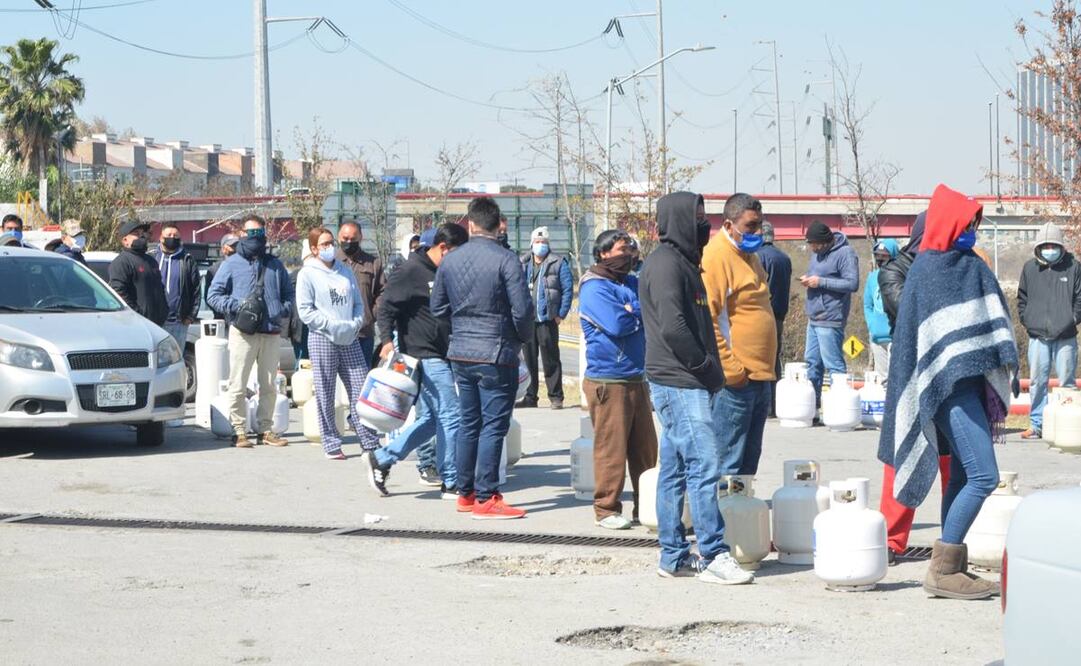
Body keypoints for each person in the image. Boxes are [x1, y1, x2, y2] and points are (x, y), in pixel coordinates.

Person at [880, 183, 1017, 600]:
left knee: (961, 475)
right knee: (984, 475)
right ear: (948, 223)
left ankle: (952, 566)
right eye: (967, 224)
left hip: (972, 385)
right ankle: (942, 569)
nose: (971, 232)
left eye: (975, 225)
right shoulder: (926, 271)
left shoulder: (972, 266)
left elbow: (994, 317)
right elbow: (920, 343)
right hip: (943, 389)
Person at [639, 190, 753, 585]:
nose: (704, 224)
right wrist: (706, 369)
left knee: (674, 471)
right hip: (679, 382)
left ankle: (673, 556)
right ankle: (714, 553)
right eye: (698, 217)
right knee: (705, 465)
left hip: (686, 382)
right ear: (678, 221)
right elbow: (674, 329)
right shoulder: (665, 265)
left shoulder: (686, 263)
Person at [430, 197, 533, 520]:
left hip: (461, 351)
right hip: (496, 352)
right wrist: (520, 339)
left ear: (471, 224)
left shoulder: (450, 260)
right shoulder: (507, 260)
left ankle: (465, 493)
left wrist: (459, 329)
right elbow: (523, 311)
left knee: (469, 422)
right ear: (499, 224)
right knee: (493, 425)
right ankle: (486, 496)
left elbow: (438, 308)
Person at [365, 223, 469, 496]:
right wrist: (386, 340)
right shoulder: (411, 270)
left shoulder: (445, 272)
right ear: (443, 248)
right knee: (451, 414)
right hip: (423, 354)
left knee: (433, 420)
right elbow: (386, 308)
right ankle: (451, 481)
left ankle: (383, 457)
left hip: (444, 352)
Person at [875, 213, 950, 564]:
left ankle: (957, 537)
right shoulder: (894, 271)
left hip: (946, 372)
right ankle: (891, 540)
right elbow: (912, 311)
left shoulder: (953, 265)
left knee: (954, 458)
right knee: (902, 455)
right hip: (910, 375)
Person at [579, 229, 658, 530]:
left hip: (637, 376)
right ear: (603, 253)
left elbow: (651, 308)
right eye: (621, 250)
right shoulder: (593, 287)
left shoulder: (630, 282)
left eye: (630, 250)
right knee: (611, 449)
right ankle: (606, 509)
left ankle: (645, 505)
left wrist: (633, 310)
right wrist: (636, 313)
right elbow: (617, 324)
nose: (628, 256)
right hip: (608, 380)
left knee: (645, 449)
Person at [702, 193, 777, 476]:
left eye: (760, 225)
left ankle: (741, 505)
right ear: (728, 225)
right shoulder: (716, 257)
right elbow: (709, 320)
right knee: (727, 462)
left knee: (748, 463)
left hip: (760, 376)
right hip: (736, 381)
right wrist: (732, 371)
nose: (757, 233)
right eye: (750, 226)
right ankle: (722, 506)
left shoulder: (750, 257)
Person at [207, 214, 293, 449]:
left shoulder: (275, 264)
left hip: (270, 331)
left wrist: (280, 309)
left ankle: (265, 429)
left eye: (259, 233)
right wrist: (238, 306)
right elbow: (213, 295)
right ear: (242, 234)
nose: (255, 237)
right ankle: (238, 430)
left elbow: (289, 294)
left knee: (269, 384)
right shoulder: (231, 264)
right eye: (251, 233)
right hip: (243, 331)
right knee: (238, 383)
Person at [296, 227, 373, 459]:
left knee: (361, 388)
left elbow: (358, 303)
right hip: (323, 337)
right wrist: (331, 325)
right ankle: (331, 442)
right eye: (324, 244)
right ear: (314, 248)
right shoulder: (307, 274)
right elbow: (305, 311)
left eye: (331, 243)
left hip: (349, 337)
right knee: (325, 391)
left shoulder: (345, 271)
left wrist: (355, 323)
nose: (329, 247)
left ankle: (369, 440)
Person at [1018, 221, 1081, 440]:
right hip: (1037, 337)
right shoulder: (1029, 268)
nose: (1049, 250)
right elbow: (1022, 298)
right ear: (1038, 247)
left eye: (1053, 246)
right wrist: (1027, 320)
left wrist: (1072, 320)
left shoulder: (1074, 267)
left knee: (1067, 383)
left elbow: (1079, 299)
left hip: (1066, 337)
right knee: (1037, 382)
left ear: (1061, 246)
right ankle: (1037, 424)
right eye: (1045, 246)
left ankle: (1067, 427)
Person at [800, 220, 859, 399]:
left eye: (815, 244)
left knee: (833, 365)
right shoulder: (816, 255)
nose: (812, 248)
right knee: (812, 363)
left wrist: (820, 282)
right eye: (810, 244)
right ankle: (813, 404)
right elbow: (818, 276)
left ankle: (839, 405)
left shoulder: (845, 253)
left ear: (825, 241)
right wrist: (808, 279)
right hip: (813, 317)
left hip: (830, 318)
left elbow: (852, 283)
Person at [519, 226, 573, 409]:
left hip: (548, 319)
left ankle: (556, 396)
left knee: (551, 359)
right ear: (531, 243)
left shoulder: (558, 262)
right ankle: (530, 396)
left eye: (543, 242)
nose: (540, 245)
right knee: (529, 360)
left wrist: (561, 314)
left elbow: (567, 290)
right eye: (537, 241)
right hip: (527, 320)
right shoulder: (523, 262)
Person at [336, 221, 386, 365]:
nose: (349, 242)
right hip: (336, 332)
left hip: (363, 333)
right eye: (345, 239)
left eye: (353, 239)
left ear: (360, 238)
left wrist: (370, 315)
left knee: (362, 375)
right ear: (338, 238)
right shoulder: (331, 262)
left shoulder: (373, 263)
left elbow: (383, 292)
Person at [153, 222, 202, 354]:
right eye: (169, 235)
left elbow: (196, 289)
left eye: (175, 236)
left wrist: (191, 316)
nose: (172, 238)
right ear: (161, 238)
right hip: (155, 321)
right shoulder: (152, 258)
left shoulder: (187, 260)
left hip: (179, 322)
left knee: (176, 358)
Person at [757, 221, 791, 409]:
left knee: (759, 359)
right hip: (779, 315)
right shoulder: (784, 258)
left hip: (762, 314)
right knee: (774, 358)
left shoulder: (756, 257)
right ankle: (775, 403)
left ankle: (764, 405)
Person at [109, 220, 168, 326]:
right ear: (125, 240)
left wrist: (164, 309)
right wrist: (136, 314)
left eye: (142, 233)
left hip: (157, 323)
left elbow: (160, 287)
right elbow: (119, 292)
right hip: (136, 324)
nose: (142, 236)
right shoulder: (121, 262)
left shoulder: (151, 261)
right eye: (136, 233)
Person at [864, 239, 899, 381]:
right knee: (882, 379)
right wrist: (871, 325)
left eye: (884, 256)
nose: (880, 259)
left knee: (895, 377)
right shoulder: (872, 277)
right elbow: (868, 305)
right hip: (877, 336)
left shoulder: (900, 275)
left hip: (895, 336)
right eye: (877, 255)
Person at [205, 234, 239, 321]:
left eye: (236, 245)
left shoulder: (245, 267)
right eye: (231, 245)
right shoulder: (214, 269)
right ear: (223, 249)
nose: (234, 248)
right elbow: (209, 297)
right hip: (221, 319)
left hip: (242, 319)